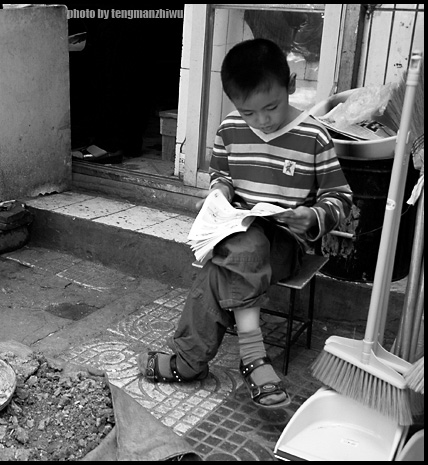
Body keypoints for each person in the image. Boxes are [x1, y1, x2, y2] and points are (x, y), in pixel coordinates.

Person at [137, 38, 353, 408]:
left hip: (285, 243)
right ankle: (251, 360)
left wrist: (313, 216)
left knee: (232, 260)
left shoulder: (313, 136)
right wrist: (218, 194)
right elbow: (222, 176)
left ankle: (195, 361)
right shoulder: (230, 130)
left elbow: (340, 199)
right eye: (249, 112)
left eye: (271, 107)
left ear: (291, 84)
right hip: (240, 230)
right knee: (237, 251)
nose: (262, 120)